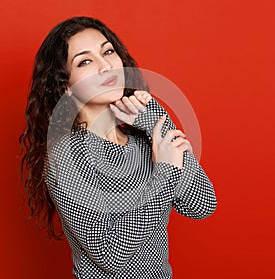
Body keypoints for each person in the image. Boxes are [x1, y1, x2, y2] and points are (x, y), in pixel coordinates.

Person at [19, 16, 217, 279]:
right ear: (65, 85)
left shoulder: (142, 141)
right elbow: (110, 255)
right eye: (85, 61)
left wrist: (156, 120)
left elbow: (202, 205)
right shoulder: (66, 155)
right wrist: (165, 171)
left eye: (108, 51)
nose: (105, 67)